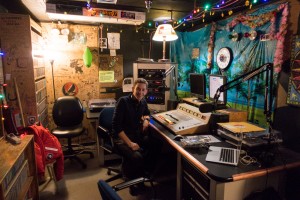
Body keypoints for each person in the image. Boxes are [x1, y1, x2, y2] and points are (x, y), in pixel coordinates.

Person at [112, 78, 162, 183]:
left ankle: (145, 173)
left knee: (157, 144)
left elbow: (147, 113)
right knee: (137, 156)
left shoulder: (143, 101)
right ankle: (134, 182)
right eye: (138, 89)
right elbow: (116, 127)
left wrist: (146, 120)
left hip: (136, 135)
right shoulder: (123, 101)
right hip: (121, 139)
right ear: (133, 89)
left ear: (146, 91)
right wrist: (130, 144)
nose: (140, 92)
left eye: (143, 90)